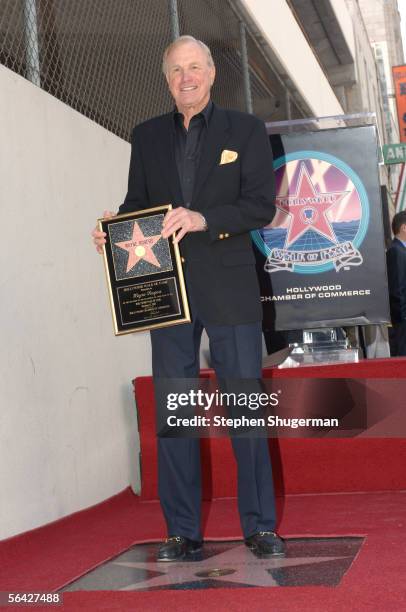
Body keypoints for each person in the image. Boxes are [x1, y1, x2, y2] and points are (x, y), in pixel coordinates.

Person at [92, 35, 284, 561]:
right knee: (176, 413)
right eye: (177, 69)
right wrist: (115, 228)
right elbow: (137, 203)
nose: (186, 77)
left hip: (229, 286)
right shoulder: (146, 135)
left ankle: (260, 526)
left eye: (195, 67)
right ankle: (181, 531)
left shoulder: (244, 129)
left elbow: (260, 207)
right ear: (167, 78)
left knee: (245, 407)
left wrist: (203, 219)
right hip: (164, 291)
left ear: (212, 74)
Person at [386, 210, 406, 356]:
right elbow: (397, 288)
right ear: (404, 227)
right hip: (402, 321)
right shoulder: (396, 251)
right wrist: (403, 319)